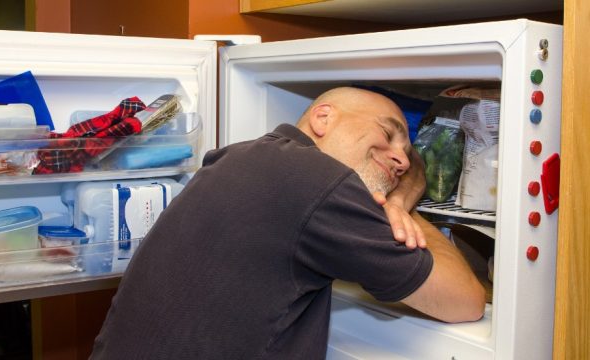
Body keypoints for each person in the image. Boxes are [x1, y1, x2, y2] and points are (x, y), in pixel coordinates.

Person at [89, 87, 485, 359]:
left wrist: (396, 198)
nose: (399, 159)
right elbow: (465, 300)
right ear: (323, 117)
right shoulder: (319, 181)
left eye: (405, 151)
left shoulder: (243, 156)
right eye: (388, 133)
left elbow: (410, 170)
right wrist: (401, 209)